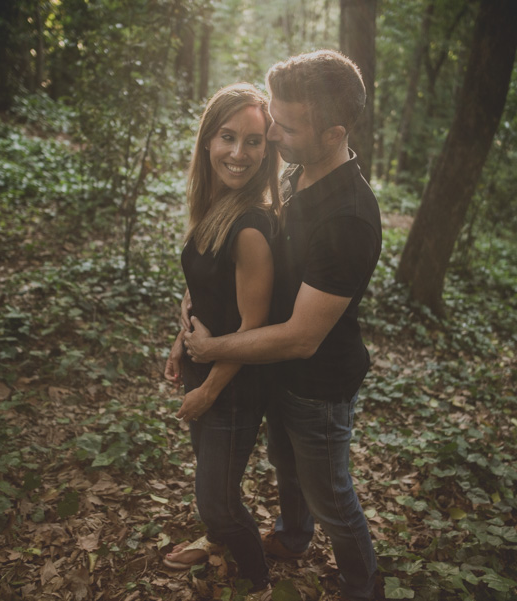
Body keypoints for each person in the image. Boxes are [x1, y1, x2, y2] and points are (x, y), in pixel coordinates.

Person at [184, 50, 381, 601]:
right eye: (274, 118)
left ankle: (363, 586)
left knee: (330, 496)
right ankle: (293, 538)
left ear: (333, 133)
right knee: (285, 467)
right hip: (273, 367)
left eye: (286, 128)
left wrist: (213, 349)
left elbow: (302, 336)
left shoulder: (348, 218)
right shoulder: (298, 173)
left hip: (318, 385)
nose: (271, 134)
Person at [162, 83, 281, 593]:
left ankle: (257, 580)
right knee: (212, 480)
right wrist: (181, 337)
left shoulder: (251, 227)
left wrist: (208, 390)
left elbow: (253, 328)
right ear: (208, 140)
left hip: (232, 386)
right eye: (228, 137)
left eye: (254, 141)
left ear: (268, 149)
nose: (239, 152)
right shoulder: (215, 203)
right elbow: (204, 282)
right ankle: (215, 541)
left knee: (217, 499)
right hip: (202, 367)